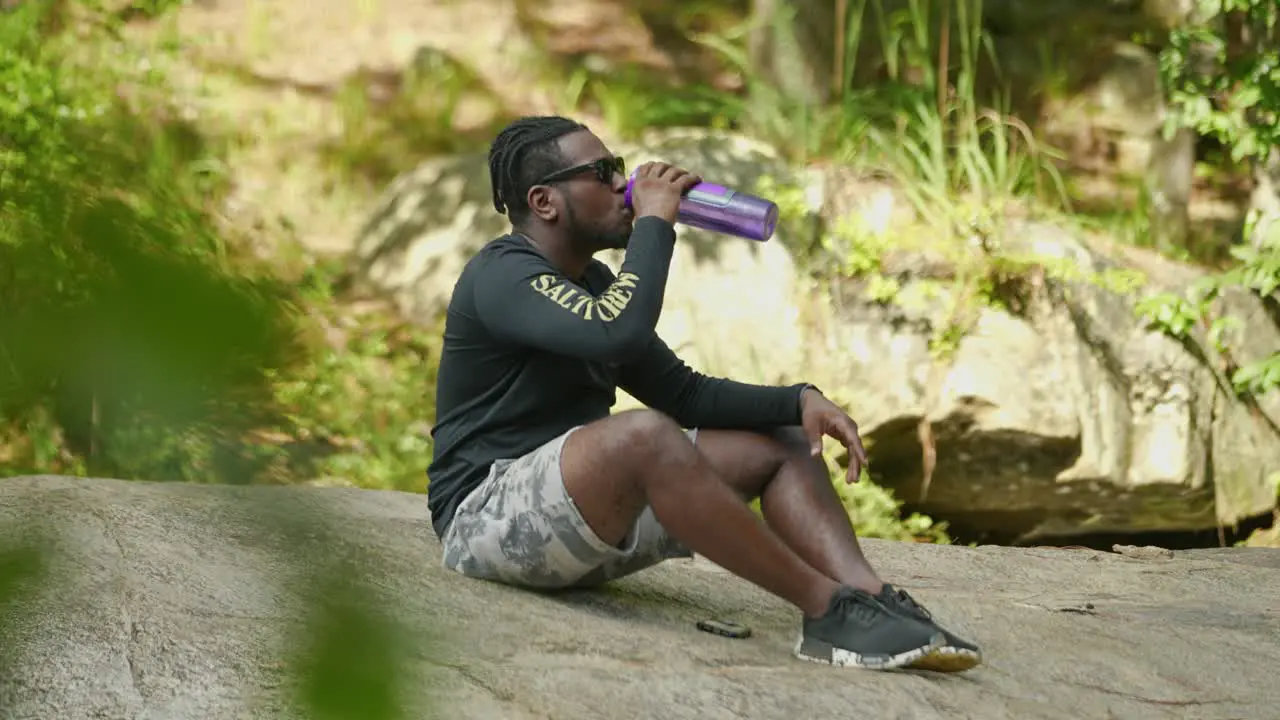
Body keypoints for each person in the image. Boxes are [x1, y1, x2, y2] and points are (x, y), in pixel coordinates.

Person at [426, 115, 981, 672]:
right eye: (603, 172)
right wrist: (655, 226)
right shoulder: (500, 275)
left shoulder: (594, 286)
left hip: (581, 519)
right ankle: (826, 608)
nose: (625, 184)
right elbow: (614, 330)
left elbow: (684, 393)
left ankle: (870, 599)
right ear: (544, 202)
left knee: (781, 440)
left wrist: (799, 400)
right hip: (485, 521)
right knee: (645, 435)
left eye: (619, 168)